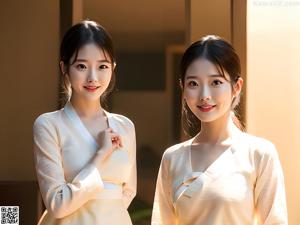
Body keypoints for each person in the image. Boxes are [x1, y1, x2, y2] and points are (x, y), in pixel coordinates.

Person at [151, 35, 287, 225]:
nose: (204, 96)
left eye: (216, 82)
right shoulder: (172, 158)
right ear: (183, 88)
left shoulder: (259, 153)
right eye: (193, 84)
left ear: (236, 87)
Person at [33, 20, 136, 225]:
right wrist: (100, 155)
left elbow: (128, 191)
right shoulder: (48, 125)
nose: (93, 77)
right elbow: (57, 204)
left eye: (102, 66)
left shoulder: (125, 126)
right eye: (81, 66)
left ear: (112, 68)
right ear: (64, 67)